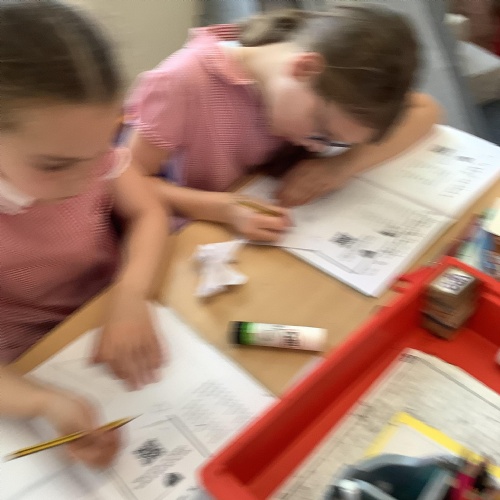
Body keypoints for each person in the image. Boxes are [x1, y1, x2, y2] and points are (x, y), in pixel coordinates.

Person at [0, 0, 168, 465]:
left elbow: (148, 212)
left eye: (100, 151)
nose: (84, 180)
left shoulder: (82, 149)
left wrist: (130, 292)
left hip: (104, 313)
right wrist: (42, 402)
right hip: (29, 359)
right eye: (54, 166)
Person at [126, 6, 441, 242]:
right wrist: (223, 208)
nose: (316, 146)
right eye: (321, 130)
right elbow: (124, 180)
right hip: (193, 236)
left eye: (332, 141)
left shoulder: (321, 76)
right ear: (304, 68)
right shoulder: (182, 83)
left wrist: (342, 165)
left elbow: (426, 110)